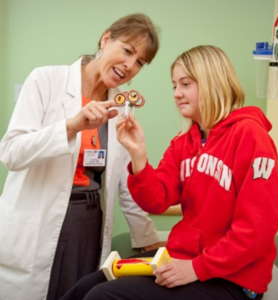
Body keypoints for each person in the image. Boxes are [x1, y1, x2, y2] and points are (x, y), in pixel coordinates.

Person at [61, 45, 278, 300]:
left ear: (213, 82)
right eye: (174, 86)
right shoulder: (184, 142)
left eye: (185, 84)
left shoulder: (250, 136)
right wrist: (138, 155)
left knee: (102, 297)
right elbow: (156, 201)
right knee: (86, 287)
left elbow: (256, 232)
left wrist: (196, 268)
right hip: (184, 259)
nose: (177, 94)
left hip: (232, 280)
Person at [0, 13, 162, 300]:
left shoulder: (121, 107)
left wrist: (148, 243)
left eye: (140, 62)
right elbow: (11, 152)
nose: (130, 65)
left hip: (89, 224)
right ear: (106, 38)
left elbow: (126, 184)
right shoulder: (46, 80)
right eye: (127, 51)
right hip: (38, 220)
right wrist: (71, 126)